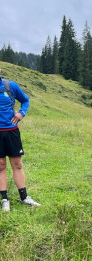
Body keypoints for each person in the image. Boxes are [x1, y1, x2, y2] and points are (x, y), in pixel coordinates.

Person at [0, 67, 41, 211]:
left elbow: (25, 100)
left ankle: (24, 197)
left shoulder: (10, 86)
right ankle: (4, 199)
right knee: (1, 165)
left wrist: (21, 114)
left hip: (11, 131)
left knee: (17, 164)